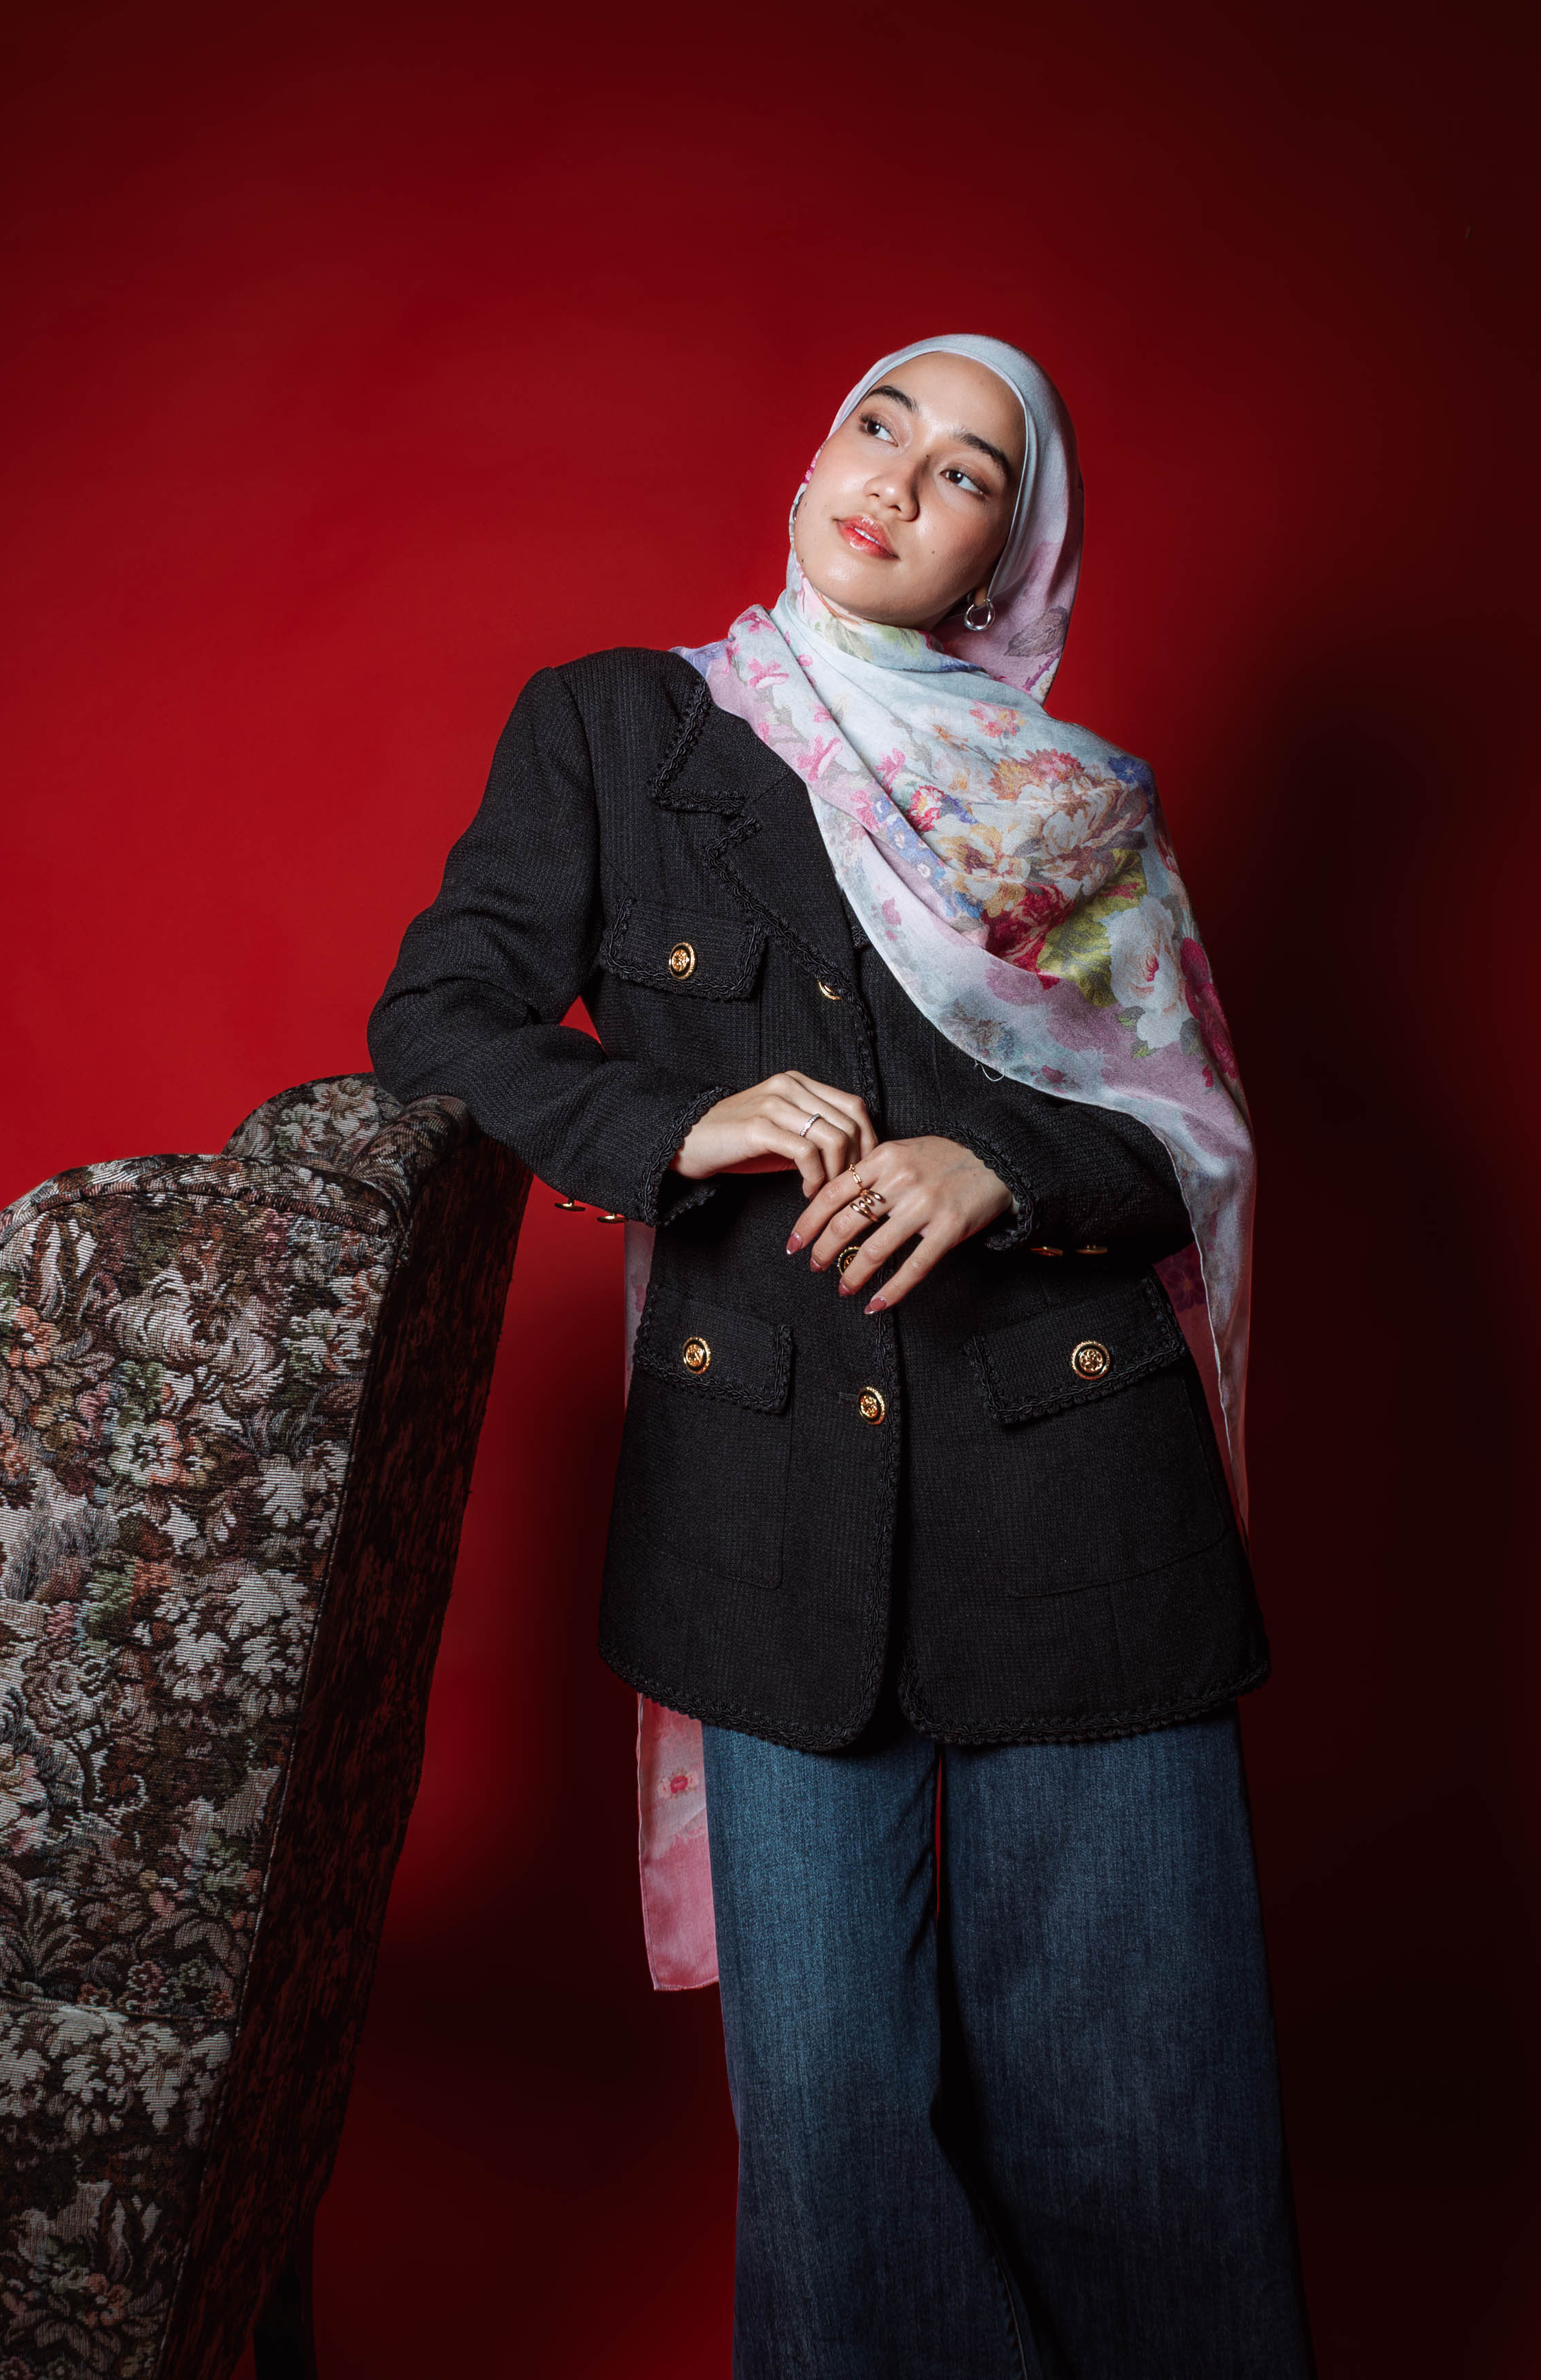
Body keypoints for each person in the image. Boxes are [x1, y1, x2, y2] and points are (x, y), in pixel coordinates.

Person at [367, 335, 1314, 2378]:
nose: (900, 477)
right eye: (882, 424)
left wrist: (1004, 1163)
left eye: (967, 471)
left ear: (1008, 557)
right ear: (814, 457)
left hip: (1080, 1480)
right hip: (763, 1508)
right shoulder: (618, 728)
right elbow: (439, 1023)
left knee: (1135, 2102)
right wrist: (673, 1123)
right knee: (835, 2133)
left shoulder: (1079, 809)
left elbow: (1192, 1138)